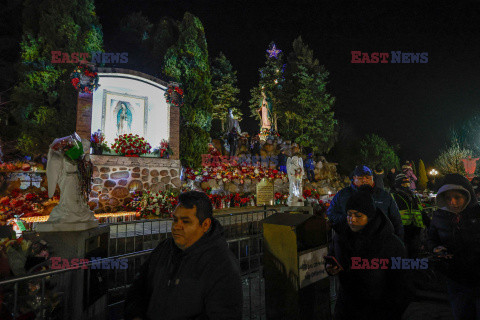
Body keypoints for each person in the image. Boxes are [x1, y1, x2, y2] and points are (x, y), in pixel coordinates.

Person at [124, 191, 243, 320]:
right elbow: (138, 288)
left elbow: (224, 314)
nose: (176, 227)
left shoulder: (223, 265)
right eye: (175, 219)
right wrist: (135, 315)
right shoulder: (164, 249)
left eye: (185, 222)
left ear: (205, 225)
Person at [325, 191, 409, 319]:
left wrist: (391, 311)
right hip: (347, 307)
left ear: (370, 217)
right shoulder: (341, 237)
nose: (352, 219)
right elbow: (333, 255)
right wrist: (331, 266)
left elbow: (401, 283)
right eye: (349, 214)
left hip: (378, 310)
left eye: (358, 215)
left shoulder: (391, 243)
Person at [427, 174, 480, 319]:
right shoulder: (438, 216)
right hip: (455, 278)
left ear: (467, 196)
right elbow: (431, 239)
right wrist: (435, 248)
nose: (452, 202)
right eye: (448, 198)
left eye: (457, 197)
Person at [327, 165, 404, 240]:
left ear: (372, 178)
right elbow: (331, 213)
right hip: (350, 242)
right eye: (360, 178)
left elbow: (396, 220)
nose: (364, 180)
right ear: (354, 178)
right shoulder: (343, 195)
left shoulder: (384, 196)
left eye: (368, 178)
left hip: (379, 242)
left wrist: (398, 240)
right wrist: (347, 220)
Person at [391, 174, 425, 258]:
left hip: (415, 228)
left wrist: (426, 222)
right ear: (399, 184)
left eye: (408, 183)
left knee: (415, 253)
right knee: (404, 253)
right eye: (404, 183)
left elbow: (419, 209)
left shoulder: (412, 195)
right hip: (402, 229)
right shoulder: (394, 195)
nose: (407, 185)